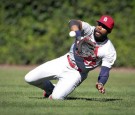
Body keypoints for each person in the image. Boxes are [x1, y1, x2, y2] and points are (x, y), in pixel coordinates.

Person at [24, 15, 117, 100]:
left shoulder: (108, 49)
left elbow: (105, 71)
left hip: (77, 74)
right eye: (99, 24)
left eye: (104, 27)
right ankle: (50, 89)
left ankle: (55, 91)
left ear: (109, 31)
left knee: (56, 98)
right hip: (64, 62)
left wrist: (101, 83)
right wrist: (79, 36)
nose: (100, 27)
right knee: (29, 78)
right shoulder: (88, 30)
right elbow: (73, 22)